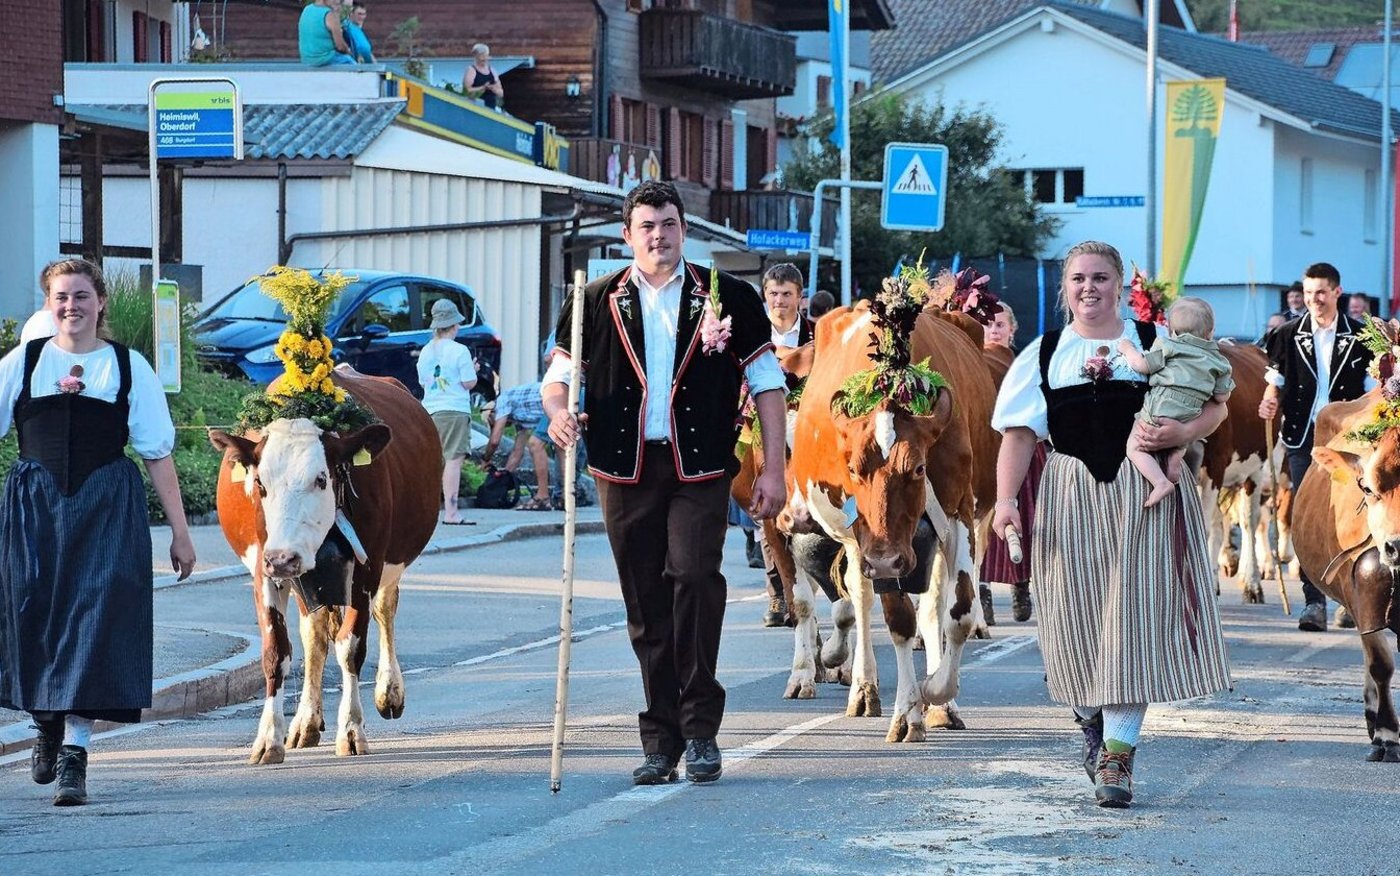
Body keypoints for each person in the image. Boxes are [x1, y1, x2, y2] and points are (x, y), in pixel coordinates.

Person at [542, 180, 787, 786]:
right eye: (647, 225)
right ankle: (660, 739)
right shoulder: (593, 300)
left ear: (685, 229)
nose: (660, 235)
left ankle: (701, 729)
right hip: (622, 469)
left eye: (670, 223)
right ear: (627, 235)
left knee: (696, 578)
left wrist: (776, 468)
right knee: (645, 602)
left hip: (700, 466)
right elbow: (557, 378)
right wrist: (558, 414)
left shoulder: (725, 296)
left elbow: (768, 386)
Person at [991, 240, 1232, 809]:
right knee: (1070, 622)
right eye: (1078, 278)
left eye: (1101, 277)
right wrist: (1005, 503)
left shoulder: (1156, 343)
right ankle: (1090, 719)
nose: (1089, 287)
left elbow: (1217, 402)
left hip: (1141, 493)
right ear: (1065, 286)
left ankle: (1118, 758)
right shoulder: (1044, 352)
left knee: (1134, 622)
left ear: (1120, 286)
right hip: (1069, 490)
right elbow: (1020, 435)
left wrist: (1180, 433)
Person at [0, 258, 196, 807]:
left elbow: (158, 454)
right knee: (31, 613)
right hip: (33, 504)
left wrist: (181, 533)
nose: (72, 306)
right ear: (49, 303)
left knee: (97, 618)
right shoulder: (23, 362)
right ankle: (45, 723)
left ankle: (75, 754)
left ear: (100, 302)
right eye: (62, 297)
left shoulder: (128, 367)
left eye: (82, 296)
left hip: (107, 504)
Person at [1259, 262, 1374, 632]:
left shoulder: (1359, 335)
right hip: (1302, 435)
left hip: (1348, 437)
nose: (1314, 300)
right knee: (1309, 515)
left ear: (1337, 292)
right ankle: (1314, 602)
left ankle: (1349, 597)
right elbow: (1274, 379)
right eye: (1308, 294)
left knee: (1351, 515)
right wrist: (1269, 399)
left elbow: (1374, 387)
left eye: (1321, 293)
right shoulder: (1289, 334)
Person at [1117, 297, 1234, 508]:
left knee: (1134, 448)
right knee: (1181, 437)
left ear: (1172, 331)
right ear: (1210, 331)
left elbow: (1141, 364)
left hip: (1160, 408)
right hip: (1191, 413)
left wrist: (1127, 349)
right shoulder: (1220, 361)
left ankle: (1160, 482)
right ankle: (1174, 460)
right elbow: (1221, 398)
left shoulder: (1167, 345)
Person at [754, 262, 813, 626]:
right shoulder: (752, 332)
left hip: (802, 428)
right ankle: (778, 591)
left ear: (800, 298)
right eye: (773, 294)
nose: (780, 302)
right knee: (765, 510)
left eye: (787, 294)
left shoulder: (815, 335)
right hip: (760, 426)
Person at [978, 302, 1037, 624]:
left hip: (1021, 449)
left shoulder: (1022, 363)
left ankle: (1021, 586)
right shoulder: (972, 365)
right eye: (987, 325)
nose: (994, 330)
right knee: (983, 521)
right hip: (985, 450)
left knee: (1024, 518)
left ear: (1012, 329)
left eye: (1000, 324)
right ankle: (981, 590)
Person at [417, 299, 477, 525]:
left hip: (430, 409)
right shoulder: (460, 351)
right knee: (453, 460)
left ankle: (424, 512)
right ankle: (452, 513)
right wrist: (475, 370)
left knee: (433, 461)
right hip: (455, 410)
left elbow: (424, 383)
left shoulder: (425, 351)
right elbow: (469, 382)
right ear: (454, 325)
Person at [480, 381, 552, 511]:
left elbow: (495, 440)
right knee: (558, 448)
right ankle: (562, 496)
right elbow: (517, 453)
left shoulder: (502, 401)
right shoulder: (518, 415)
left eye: (492, 424)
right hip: (554, 405)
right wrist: (503, 478)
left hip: (554, 399)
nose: (494, 426)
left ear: (492, 413)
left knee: (535, 445)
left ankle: (542, 496)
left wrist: (485, 459)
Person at [762, 262, 813, 354]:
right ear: (765, 294)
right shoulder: (749, 333)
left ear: (799, 295)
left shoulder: (818, 333)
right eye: (774, 294)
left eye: (786, 294)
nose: (779, 300)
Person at [298, 0, 354, 67]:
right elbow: (340, 46)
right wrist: (348, 51)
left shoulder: (306, 10)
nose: (337, 1)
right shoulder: (330, 14)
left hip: (307, 60)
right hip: (325, 59)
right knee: (354, 65)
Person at [463, 43, 504, 110]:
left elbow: (501, 93)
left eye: (486, 56)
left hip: (491, 108)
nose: (484, 59)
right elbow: (466, 91)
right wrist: (482, 88)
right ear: (475, 56)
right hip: (475, 108)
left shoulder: (493, 71)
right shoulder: (471, 70)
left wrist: (493, 89)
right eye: (481, 56)